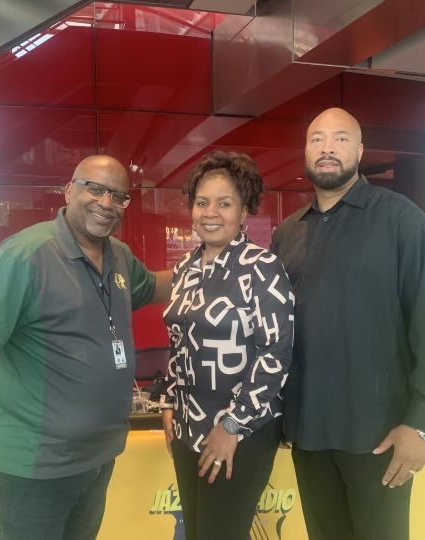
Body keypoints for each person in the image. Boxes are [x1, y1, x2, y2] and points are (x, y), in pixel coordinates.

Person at [0, 155, 172, 540]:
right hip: (35, 467)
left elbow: (152, 286)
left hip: (96, 459)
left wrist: (211, 263)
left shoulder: (119, 255)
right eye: (95, 189)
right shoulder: (26, 254)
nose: (106, 202)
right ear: (69, 191)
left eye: (118, 195)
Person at [271, 107, 425, 540]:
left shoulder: (402, 221)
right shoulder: (287, 234)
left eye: (341, 138)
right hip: (308, 434)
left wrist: (423, 423)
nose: (328, 148)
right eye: (317, 139)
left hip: (381, 436)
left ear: (360, 150)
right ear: (306, 151)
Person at [161, 150, 294, 540]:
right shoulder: (185, 268)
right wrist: (169, 401)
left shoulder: (262, 267)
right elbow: (179, 342)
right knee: (196, 531)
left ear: (243, 211)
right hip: (187, 427)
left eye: (224, 203)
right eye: (202, 202)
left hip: (240, 431)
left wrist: (232, 425)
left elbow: (275, 353)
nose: (210, 213)